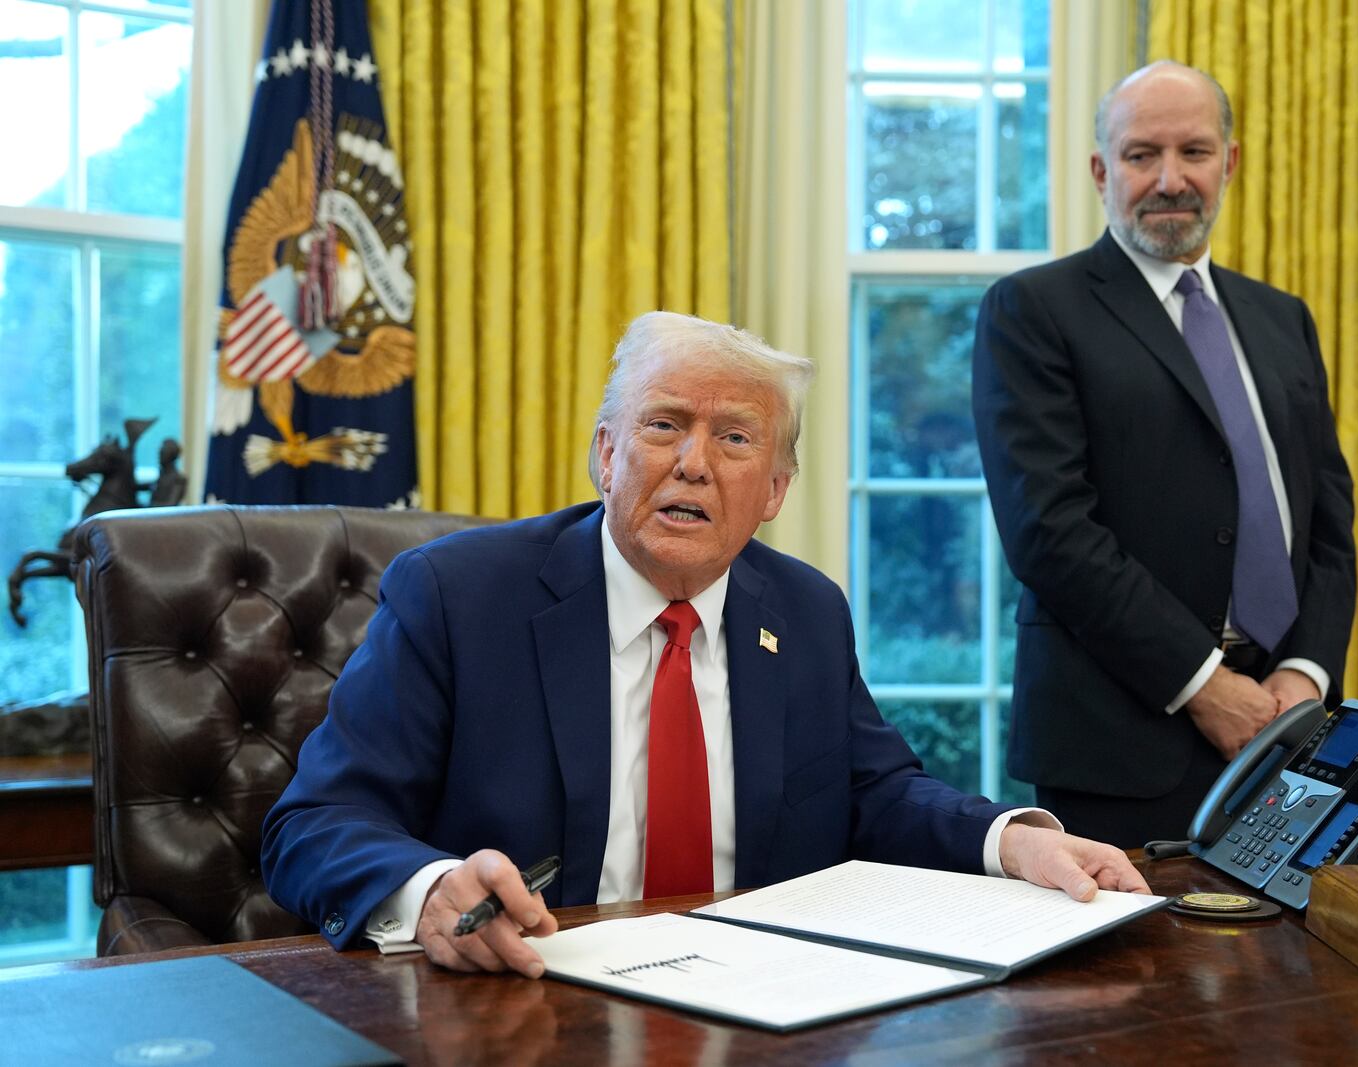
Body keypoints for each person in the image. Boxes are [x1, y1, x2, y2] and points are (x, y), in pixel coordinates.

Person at [263, 310, 1151, 978]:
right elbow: (314, 824)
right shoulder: (458, 595)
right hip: (525, 1002)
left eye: (733, 439)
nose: (693, 462)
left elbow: (876, 791)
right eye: (663, 425)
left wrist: (1013, 839)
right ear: (605, 455)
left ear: (773, 488)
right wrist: (430, 891)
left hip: (760, 1003)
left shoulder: (805, 610)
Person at [971, 62, 1357, 849]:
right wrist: (1206, 686)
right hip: (1120, 746)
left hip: (1289, 736)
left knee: (1309, 971)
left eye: (1195, 152)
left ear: (1231, 162)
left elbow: (1328, 523)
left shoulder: (1285, 319)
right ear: (1100, 170)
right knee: (1138, 976)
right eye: (1143, 154)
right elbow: (1050, 532)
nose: (1171, 179)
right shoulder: (1033, 310)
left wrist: (1304, 677)